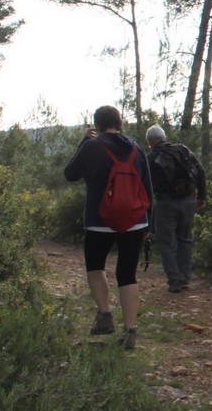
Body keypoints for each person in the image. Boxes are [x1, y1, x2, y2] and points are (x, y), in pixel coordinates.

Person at [63, 105, 152, 351]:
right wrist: (148, 222)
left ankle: (105, 315)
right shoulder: (136, 148)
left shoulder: (92, 146)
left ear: (97, 124)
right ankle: (130, 330)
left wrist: (84, 141)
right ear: (119, 122)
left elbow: (70, 174)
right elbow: (147, 186)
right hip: (135, 219)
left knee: (95, 266)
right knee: (127, 274)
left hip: (99, 220)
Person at [145, 124, 206, 293]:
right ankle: (185, 277)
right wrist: (202, 196)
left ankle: (174, 280)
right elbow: (200, 171)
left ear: (151, 141)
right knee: (185, 239)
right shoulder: (183, 150)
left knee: (167, 242)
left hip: (165, 204)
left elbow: (145, 184)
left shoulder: (150, 158)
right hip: (188, 201)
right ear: (164, 137)